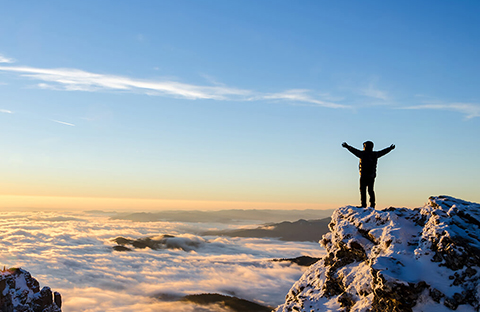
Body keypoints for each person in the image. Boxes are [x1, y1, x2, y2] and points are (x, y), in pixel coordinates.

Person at [342, 141, 395, 208]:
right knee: (370, 190)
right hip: (371, 176)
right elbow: (383, 152)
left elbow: (354, 151)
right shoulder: (375, 154)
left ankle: (364, 205)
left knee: (363, 190)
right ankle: (372, 205)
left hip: (364, 175)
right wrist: (390, 148)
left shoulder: (362, 154)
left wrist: (347, 147)